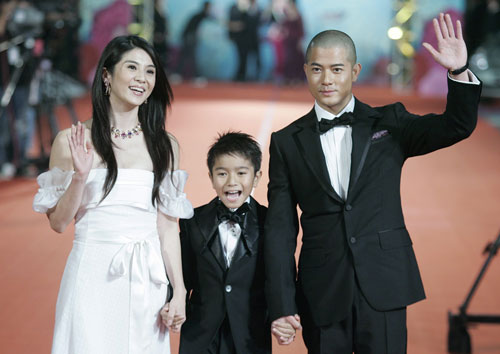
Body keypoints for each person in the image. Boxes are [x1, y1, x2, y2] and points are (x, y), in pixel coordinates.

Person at [264, 13, 482, 353]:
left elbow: (456, 126)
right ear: (306, 71)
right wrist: (281, 302)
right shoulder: (286, 142)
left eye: (337, 69)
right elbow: (279, 229)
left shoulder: (391, 122)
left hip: (384, 283)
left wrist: (456, 72)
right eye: (317, 69)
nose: (327, 79)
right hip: (322, 289)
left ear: (354, 72)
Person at [32, 35, 194, 354]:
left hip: (146, 279)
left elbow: (166, 228)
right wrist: (80, 177)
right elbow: (59, 223)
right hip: (90, 277)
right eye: (131, 67)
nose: (142, 79)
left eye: (150, 72)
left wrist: (178, 291)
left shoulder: (166, 145)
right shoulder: (71, 140)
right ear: (106, 75)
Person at [171, 132, 272, 354]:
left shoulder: (269, 222)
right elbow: (182, 272)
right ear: (210, 176)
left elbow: (277, 276)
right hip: (200, 333)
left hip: (250, 332)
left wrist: (282, 313)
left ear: (256, 177)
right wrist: (172, 303)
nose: (231, 182)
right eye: (222, 173)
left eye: (241, 173)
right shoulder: (192, 220)